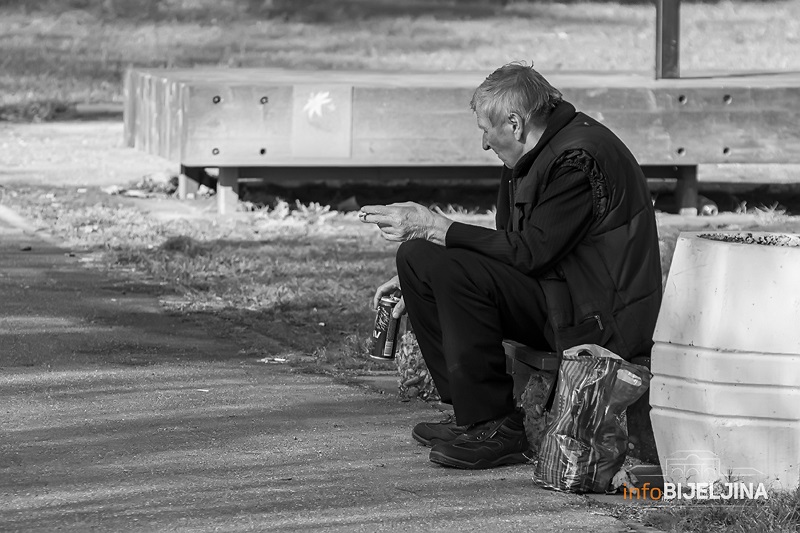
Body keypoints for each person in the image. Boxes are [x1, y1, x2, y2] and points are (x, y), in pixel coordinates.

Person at [359, 62, 662, 470]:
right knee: (419, 258)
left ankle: (499, 426)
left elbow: (532, 251)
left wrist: (437, 226)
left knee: (448, 264)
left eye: (486, 129)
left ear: (515, 123)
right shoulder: (535, 151)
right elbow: (518, 247)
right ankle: (472, 416)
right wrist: (434, 255)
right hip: (557, 292)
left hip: (596, 317)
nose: (484, 143)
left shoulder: (578, 159)